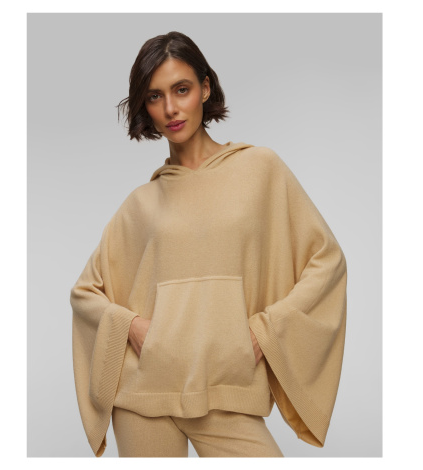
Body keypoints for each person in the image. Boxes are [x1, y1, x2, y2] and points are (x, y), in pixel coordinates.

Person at [70, 31, 348, 458]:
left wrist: (265, 332)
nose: (170, 108)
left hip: (226, 386)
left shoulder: (261, 169)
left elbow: (326, 261)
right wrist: (134, 327)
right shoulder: (141, 203)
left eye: (181, 89)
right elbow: (86, 293)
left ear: (205, 88)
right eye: (155, 96)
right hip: (144, 395)